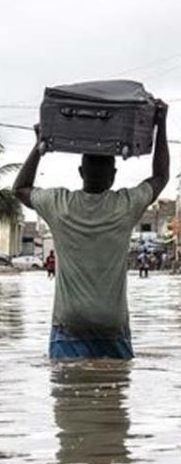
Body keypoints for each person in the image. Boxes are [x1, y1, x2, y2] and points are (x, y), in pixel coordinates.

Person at [13, 101, 169, 359]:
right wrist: (160, 125)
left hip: (70, 323)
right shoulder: (125, 205)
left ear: (81, 172)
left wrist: (39, 145)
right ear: (114, 175)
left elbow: (20, 188)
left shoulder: (59, 205)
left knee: (69, 394)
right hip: (112, 323)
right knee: (113, 392)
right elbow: (161, 176)